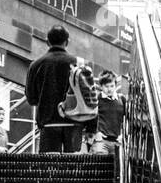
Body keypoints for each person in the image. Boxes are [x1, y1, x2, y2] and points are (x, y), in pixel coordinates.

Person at [25, 25, 82, 153]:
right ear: (67, 42)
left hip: (48, 123)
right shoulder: (77, 64)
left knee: (49, 167)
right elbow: (87, 96)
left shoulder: (36, 65)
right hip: (73, 123)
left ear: (47, 42)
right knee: (74, 167)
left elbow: (31, 98)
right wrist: (91, 127)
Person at [90, 71, 126, 154]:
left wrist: (123, 135)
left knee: (118, 164)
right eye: (106, 86)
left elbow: (126, 119)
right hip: (101, 141)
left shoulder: (121, 99)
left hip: (118, 141)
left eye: (112, 86)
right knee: (99, 159)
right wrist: (96, 132)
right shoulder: (97, 99)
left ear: (115, 85)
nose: (109, 89)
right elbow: (91, 118)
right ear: (101, 86)